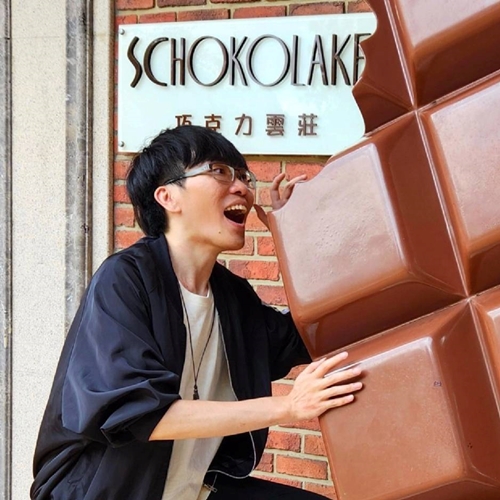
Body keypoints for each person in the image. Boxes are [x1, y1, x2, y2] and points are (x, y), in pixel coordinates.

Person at [31, 125, 363, 499]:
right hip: (107, 491)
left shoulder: (232, 297)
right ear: (168, 196)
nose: (242, 187)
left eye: (244, 177)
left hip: (195, 489)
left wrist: (296, 238)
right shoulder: (124, 280)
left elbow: (310, 335)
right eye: (219, 171)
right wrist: (289, 406)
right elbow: (142, 414)